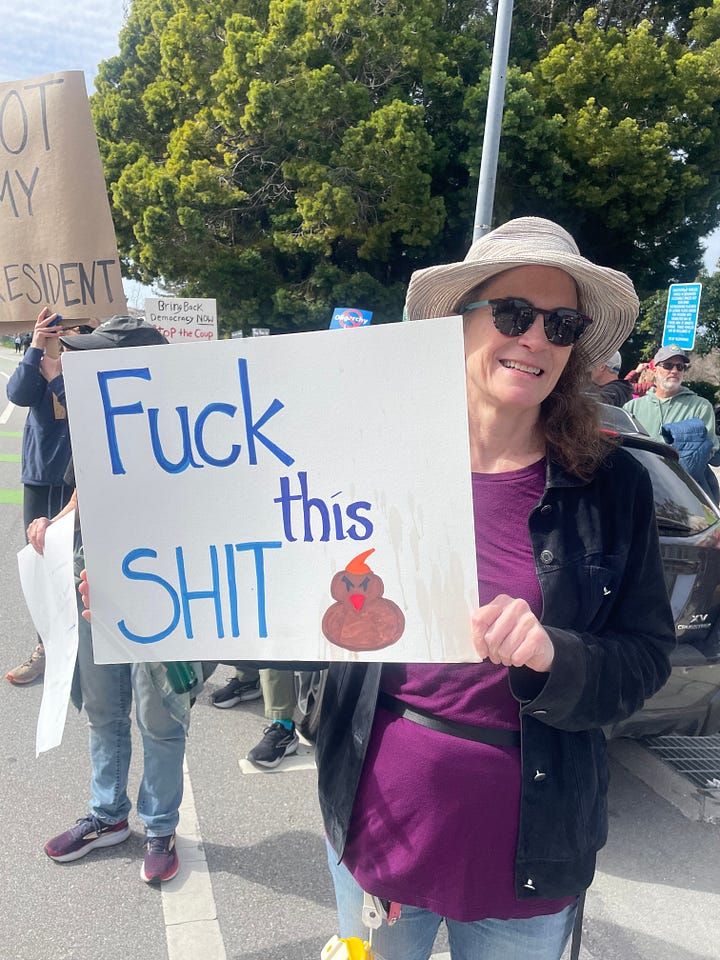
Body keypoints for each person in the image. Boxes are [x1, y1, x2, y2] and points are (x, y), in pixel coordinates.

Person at [313, 217, 675, 959]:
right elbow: (289, 617)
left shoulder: (614, 489)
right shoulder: (376, 464)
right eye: (513, 313)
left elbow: (643, 660)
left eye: (561, 323)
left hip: (530, 861)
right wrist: (152, 605)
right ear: (462, 324)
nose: (535, 338)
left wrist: (556, 654)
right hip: (377, 834)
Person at [31, 316, 189, 885]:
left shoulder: (190, 436)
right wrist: (57, 523)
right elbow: (83, 491)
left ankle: (159, 826)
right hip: (89, 585)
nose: (81, 365)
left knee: (159, 716)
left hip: (160, 599)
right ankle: (106, 814)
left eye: (95, 356)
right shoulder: (97, 426)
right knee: (103, 710)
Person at [5, 308, 79, 684]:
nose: (61, 335)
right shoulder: (39, 362)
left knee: (77, 564)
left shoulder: (90, 360)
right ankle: (44, 648)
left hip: (79, 480)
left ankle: (81, 649)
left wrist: (63, 372)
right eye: (55, 330)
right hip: (38, 475)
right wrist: (35, 347)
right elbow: (17, 393)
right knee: (39, 563)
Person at [624, 345, 719, 499]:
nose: (674, 371)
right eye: (668, 366)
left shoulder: (701, 407)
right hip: (639, 490)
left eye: (680, 367)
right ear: (654, 369)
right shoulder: (632, 407)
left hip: (684, 495)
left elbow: (710, 449)